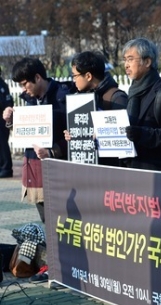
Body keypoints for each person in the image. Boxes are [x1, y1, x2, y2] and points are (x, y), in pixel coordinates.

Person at [2, 57, 76, 223]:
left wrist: (53, 151)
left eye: (24, 84)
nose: (23, 89)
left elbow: (76, 134)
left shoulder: (63, 98)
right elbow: (27, 133)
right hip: (35, 171)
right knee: (47, 222)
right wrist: (11, 120)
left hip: (60, 174)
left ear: (37, 78)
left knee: (64, 222)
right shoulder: (30, 100)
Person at [120, 38, 161, 172]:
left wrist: (141, 134)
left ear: (147, 62)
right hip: (132, 169)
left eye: (131, 59)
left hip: (159, 174)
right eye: (125, 60)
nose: (126, 65)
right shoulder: (131, 93)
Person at [64, 51, 129, 166]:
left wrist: (102, 134)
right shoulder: (80, 99)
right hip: (90, 169)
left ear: (88, 76)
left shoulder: (117, 98)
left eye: (75, 76)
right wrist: (74, 135)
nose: (73, 80)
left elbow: (126, 138)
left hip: (113, 171)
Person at [0, 66, 14, 178]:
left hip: (2, 119)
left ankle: (6, 168)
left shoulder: (2, 85)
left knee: (3, 144)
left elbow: (6, 102)